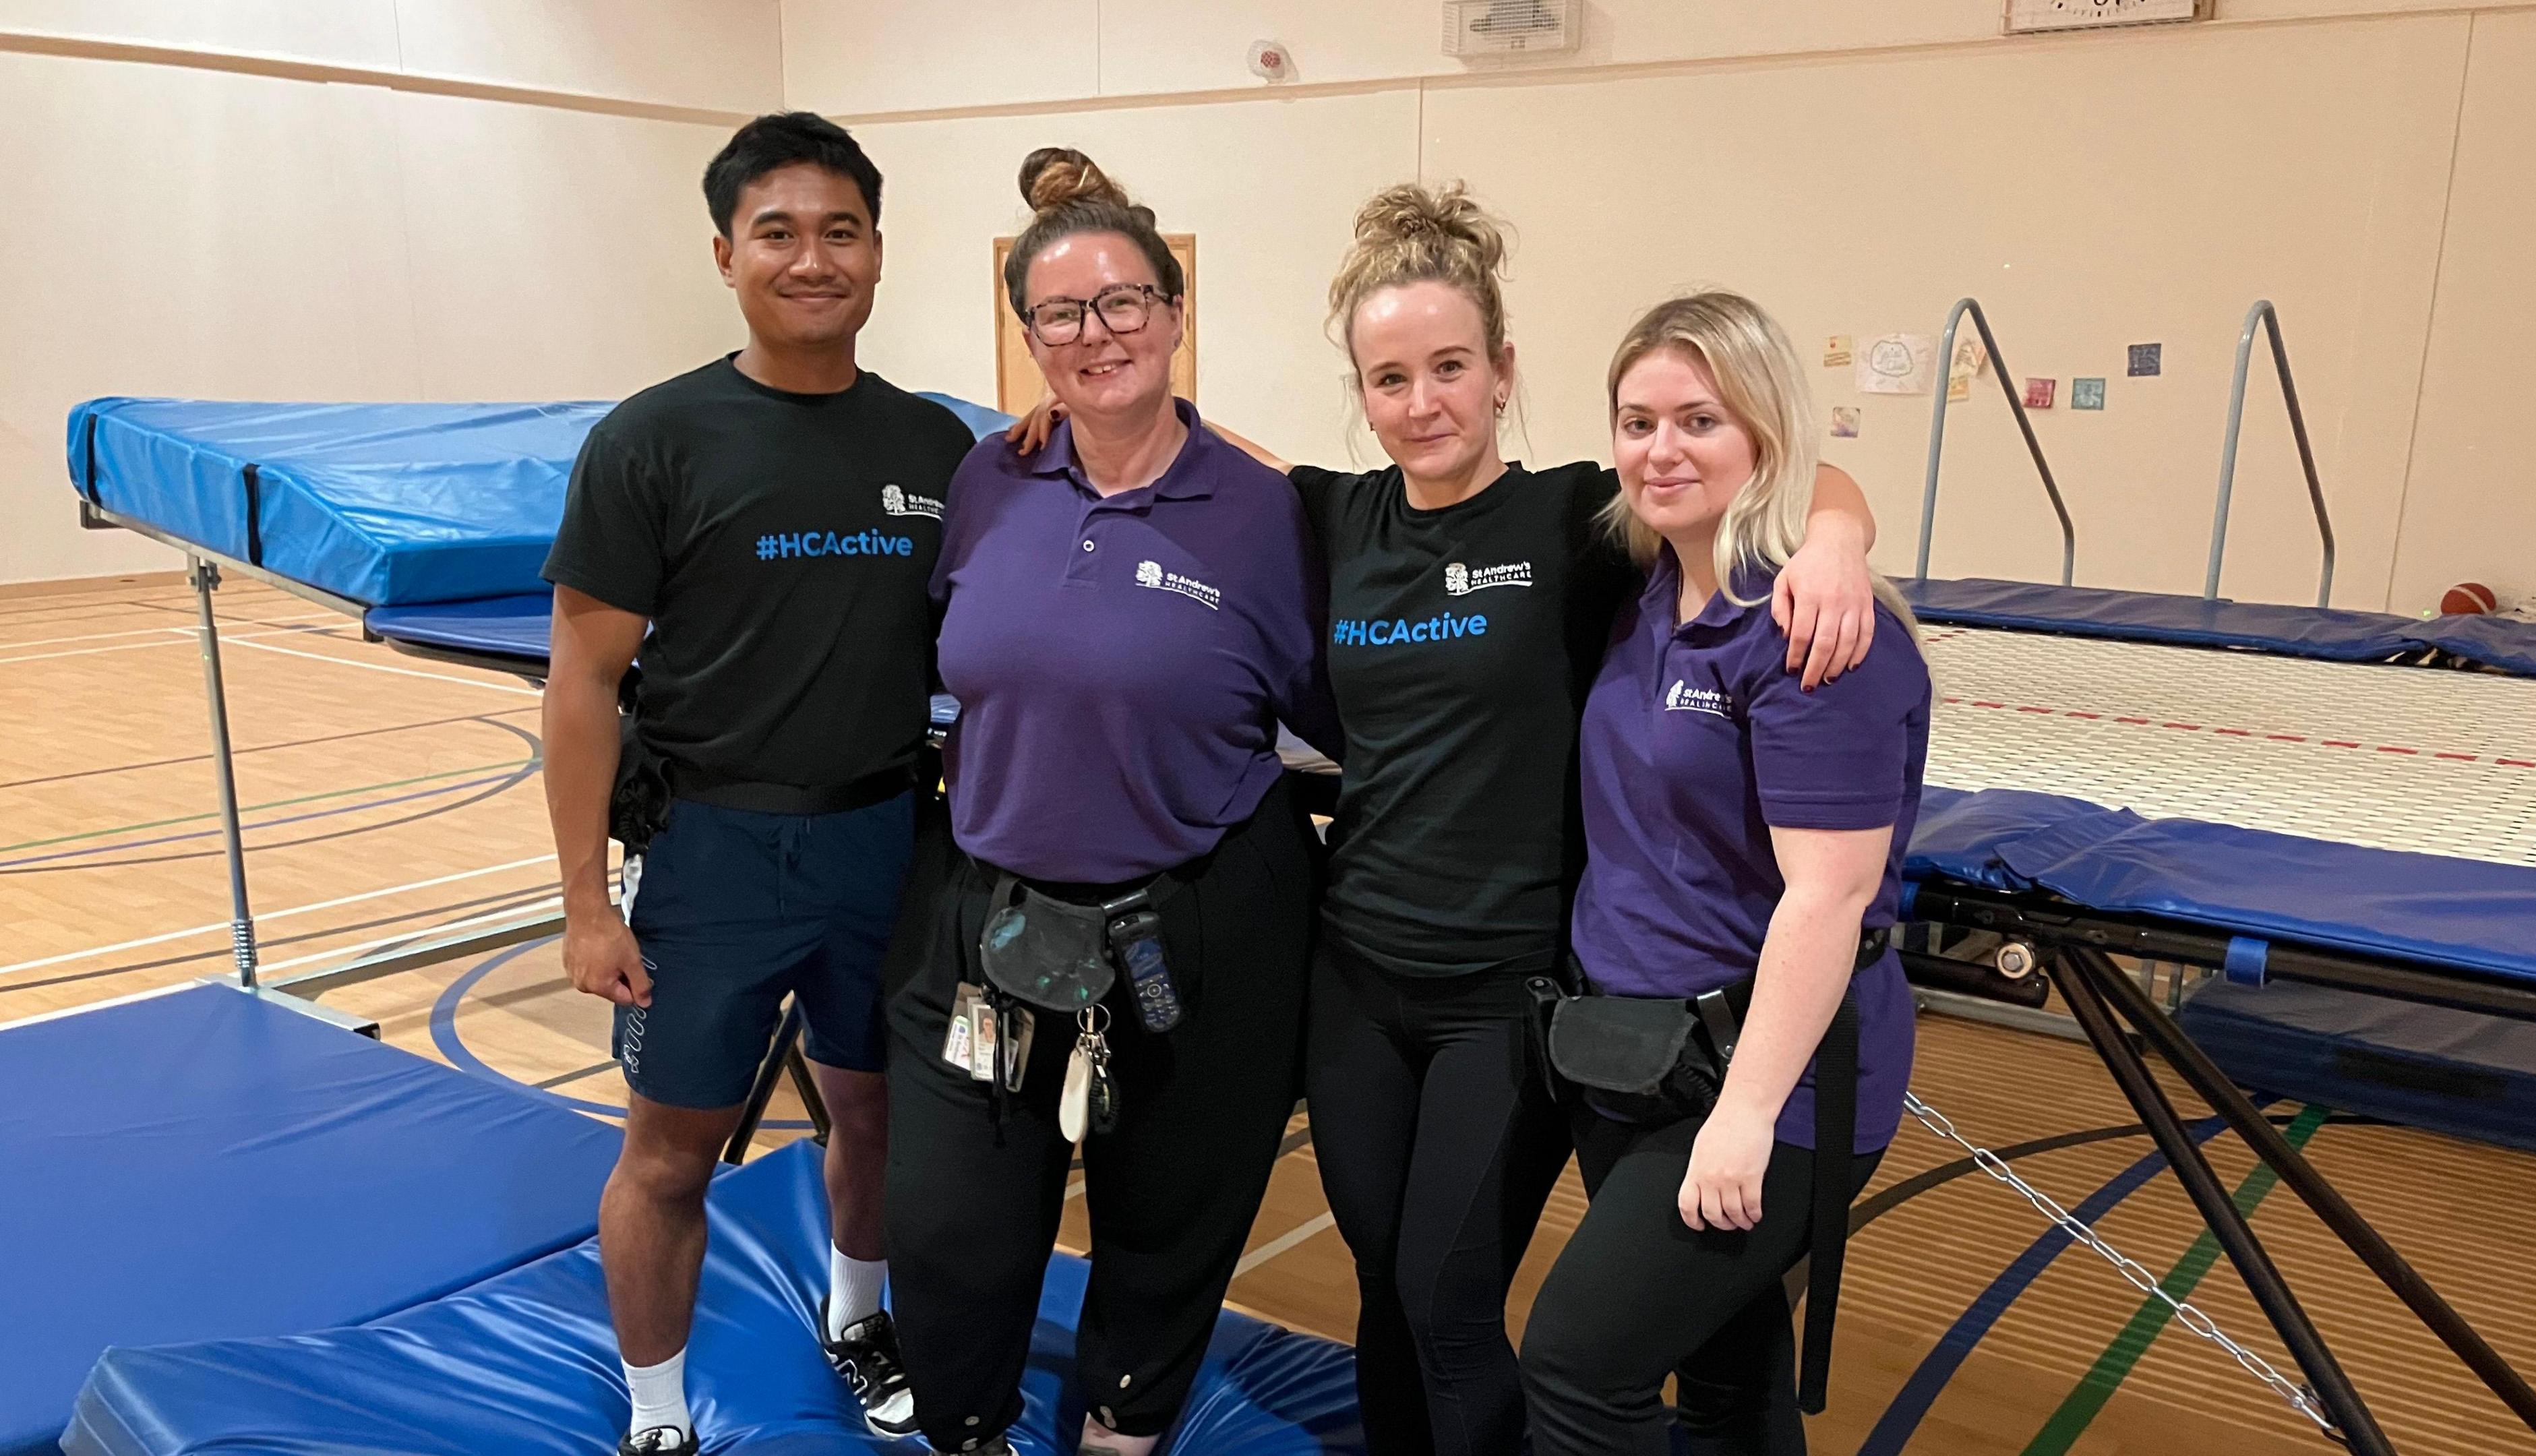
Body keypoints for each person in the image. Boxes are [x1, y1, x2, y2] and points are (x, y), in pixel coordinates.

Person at [1004, 181, 1882, 1456]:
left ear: (1503, 369)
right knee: (1383, 1292)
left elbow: (1780, 469)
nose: (1423, 405)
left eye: (1450, 369)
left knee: (1446, 1298)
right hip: (1358, 977)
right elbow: (1178, 443)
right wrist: (1070, 402)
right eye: (1390, 378)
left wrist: (1840, 540)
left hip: (1509, 995)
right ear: (1362, 391)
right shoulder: (1332, 514)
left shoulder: (1580, 519)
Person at [882, 148, 1341, 1456]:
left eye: (1126, 302)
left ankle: (1121, 1434)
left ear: (1176, 311)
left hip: (1202, 921)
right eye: (1063, 313)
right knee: (955, 1223)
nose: (1099, 334)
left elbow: (1344, 714)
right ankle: (966, 1428)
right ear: (1027, 336)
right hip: (990, 911)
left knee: (1170, 1215)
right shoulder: (989, 481)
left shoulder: (1269, 515)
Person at [540, 112, 971, 1456]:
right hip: (715, 853)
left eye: (840, 231)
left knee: (878, 1115)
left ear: (879, 253)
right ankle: (658, 1411)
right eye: (778, 232)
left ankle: (859, 1319)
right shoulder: (653, 440)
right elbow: (580, 683)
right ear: (726, 253)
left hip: (887, 844)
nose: (811, 257)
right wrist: (581, 908)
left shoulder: (935, 447)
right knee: (669, 1157)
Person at [1515, 292, 1929, 1456]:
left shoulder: (1813, 633)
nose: (1662, 450)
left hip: (1768, 1081)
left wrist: (1743, 1118)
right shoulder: (1648, 590)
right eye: (1637, 421)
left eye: (1700, 420)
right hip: (1637, 1053)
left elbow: (1829, 896)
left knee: (1577, 1372)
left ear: (1764, 436)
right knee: (1731, 1375)